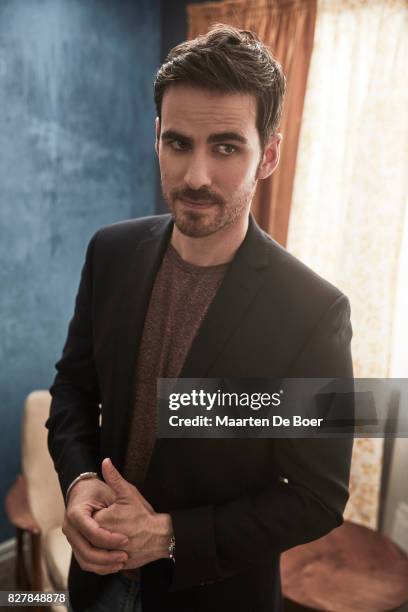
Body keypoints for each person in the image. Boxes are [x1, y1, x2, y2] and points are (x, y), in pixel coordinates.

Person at [46, 24, 354, 612]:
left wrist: (167, 535)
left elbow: (318, 495)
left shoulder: (315, 311)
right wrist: (80, 479)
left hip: (213, 595)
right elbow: (73, 389)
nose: (195, 178)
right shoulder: (108, 252)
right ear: (156, 138)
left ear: (269, 156)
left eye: (226, 147)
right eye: (179, 143)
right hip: (95, 585)